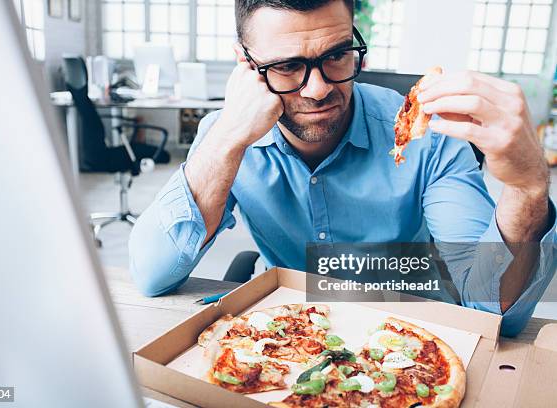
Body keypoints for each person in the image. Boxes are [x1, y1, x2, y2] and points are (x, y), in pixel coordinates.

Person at [129, 0, 556, 336]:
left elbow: (491, 308)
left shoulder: (429, 137)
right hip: (283, 337)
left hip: (408, 332)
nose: (317, 90)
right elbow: (152, 275)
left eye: (336, 55)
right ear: (246, 64)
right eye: (287, 65)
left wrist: (527, 189)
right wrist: (226, 140)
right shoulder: (226, 136)